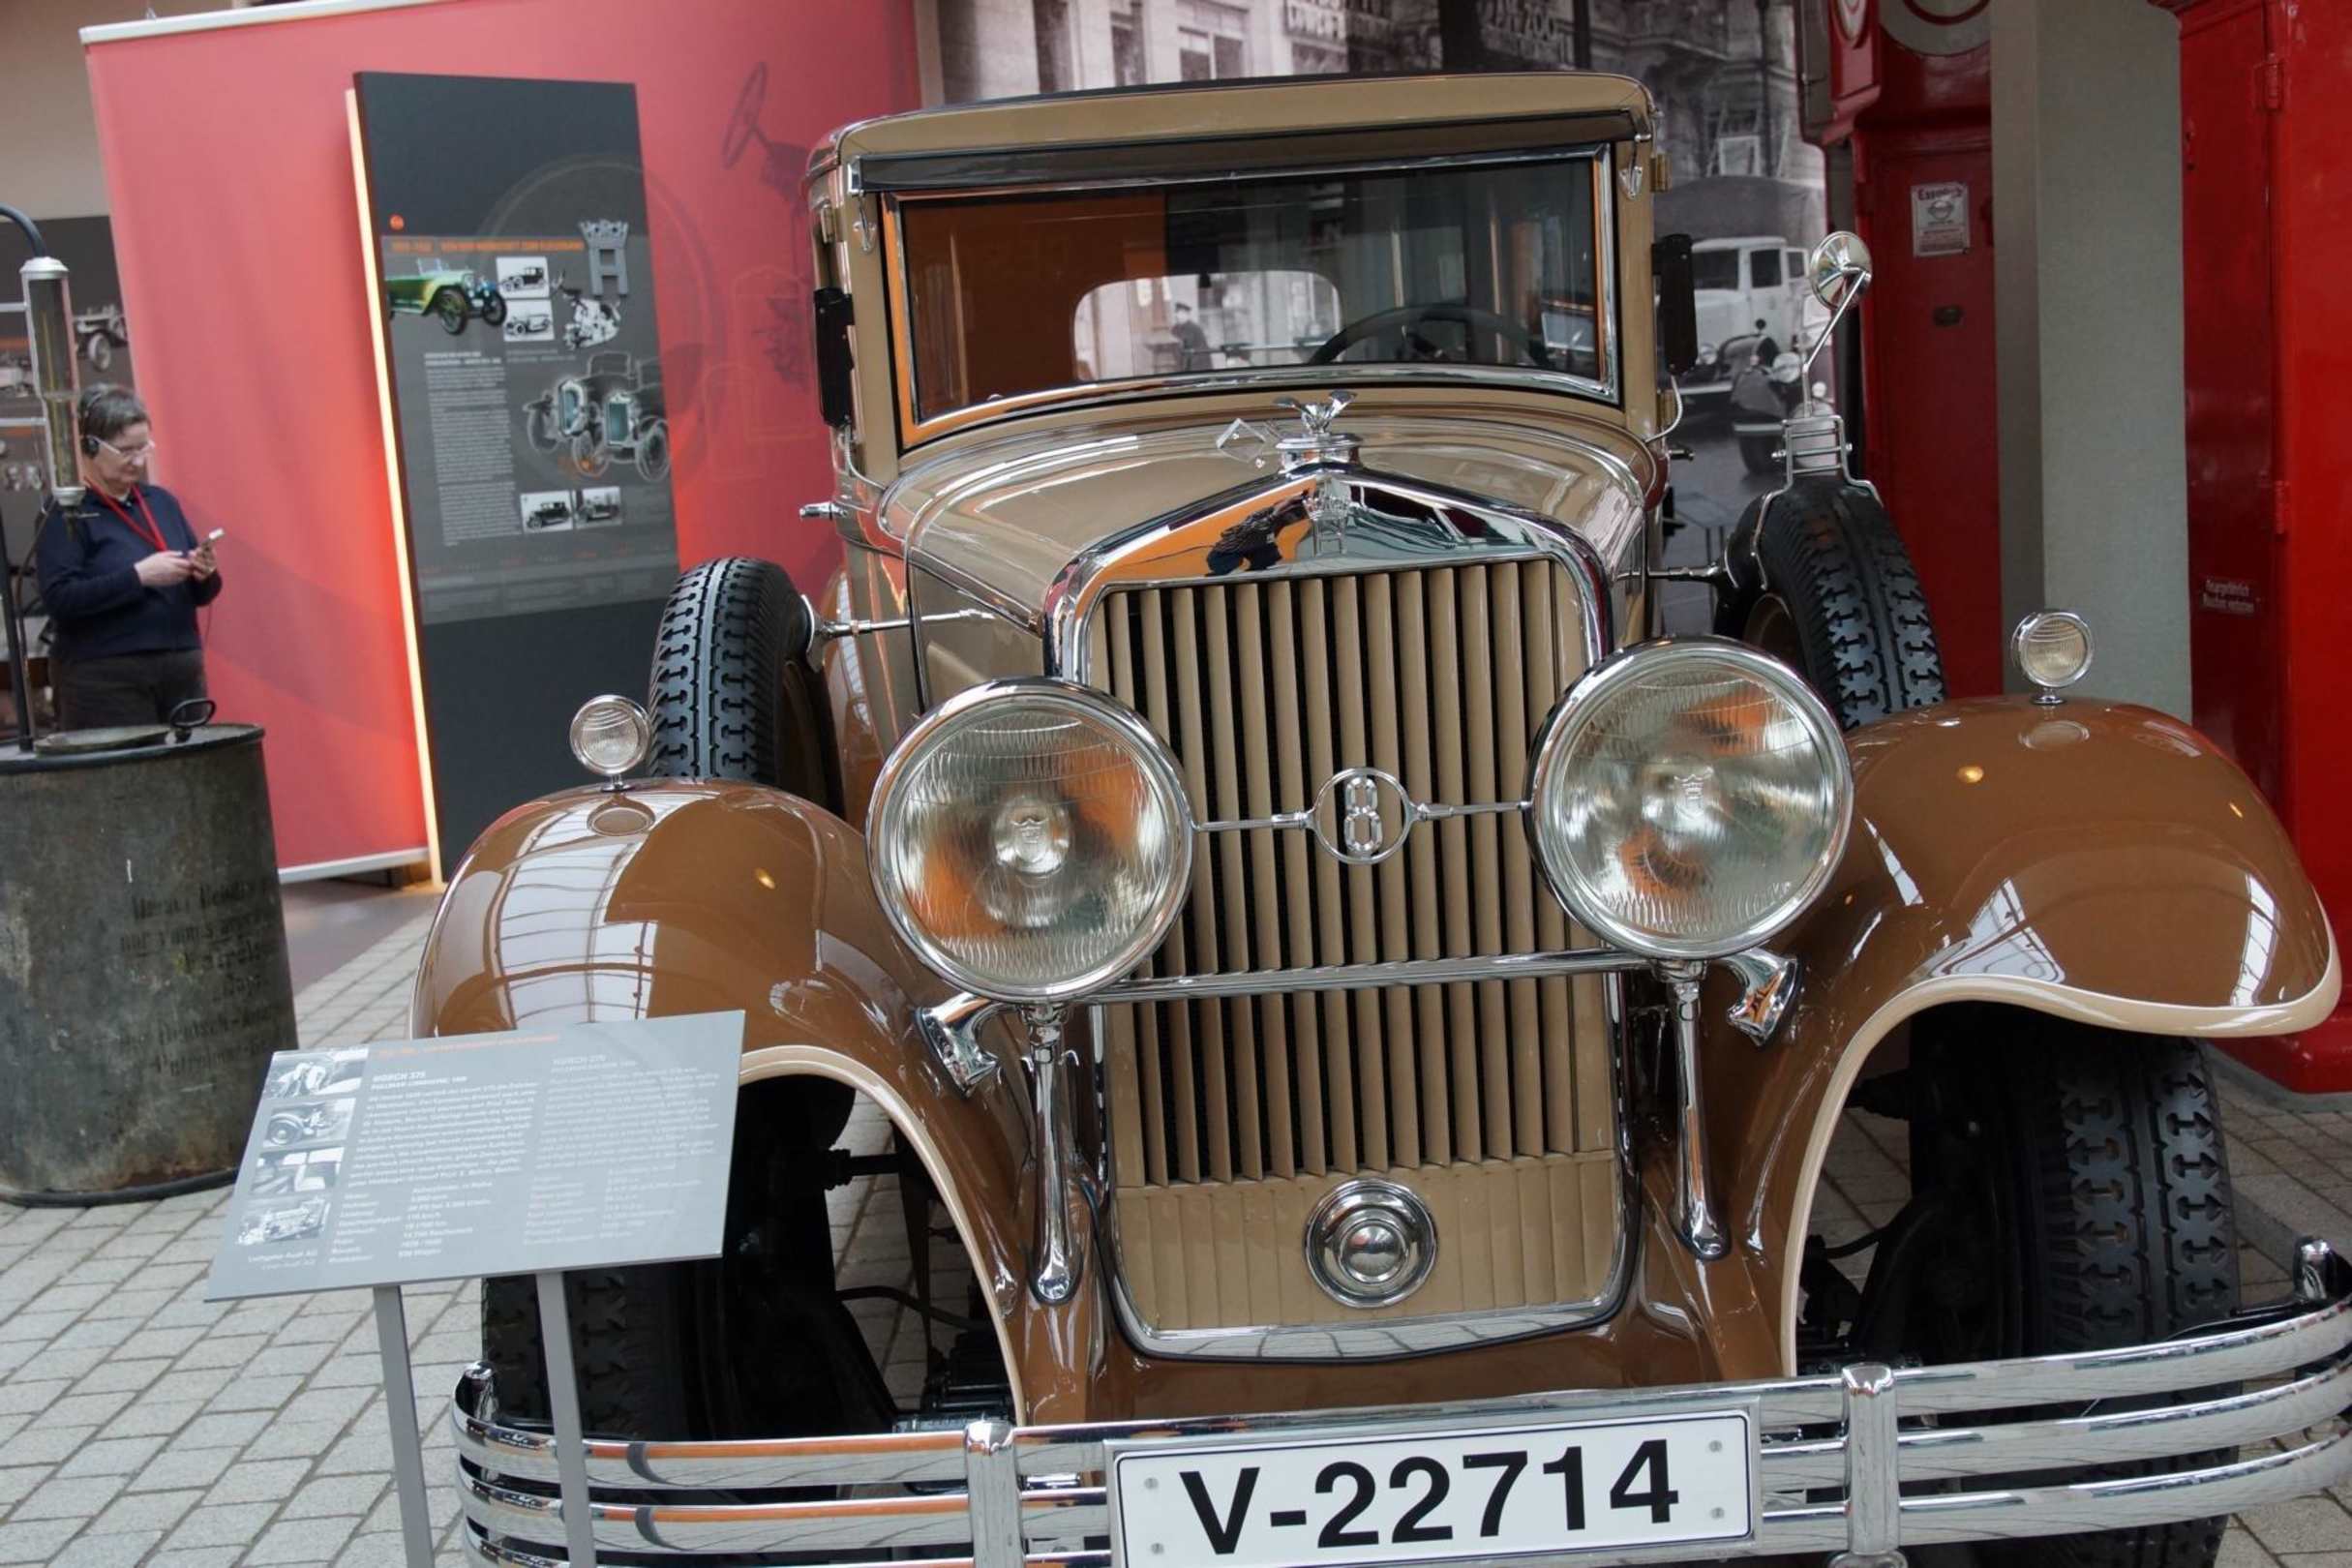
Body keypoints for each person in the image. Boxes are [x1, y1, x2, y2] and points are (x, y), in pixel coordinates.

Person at [33, 384, 221, 729]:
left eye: (143, 447)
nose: (138, 461)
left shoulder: (161, 502)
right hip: (104, 678)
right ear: (90, 447)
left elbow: (202, 594)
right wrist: (138, 577)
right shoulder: (66, 513)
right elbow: (60, 598)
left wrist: (204, 573)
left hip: (180, 671)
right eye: (125, 451)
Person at [1168, 302, 1211, 372]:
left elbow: (1201, 349)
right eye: (1177, 313)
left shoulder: (1195, 329)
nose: (1178, 316)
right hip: (1180, 364)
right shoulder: (1174, 329)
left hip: (1197, 365)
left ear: (1187, 315)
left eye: (1181, 313)